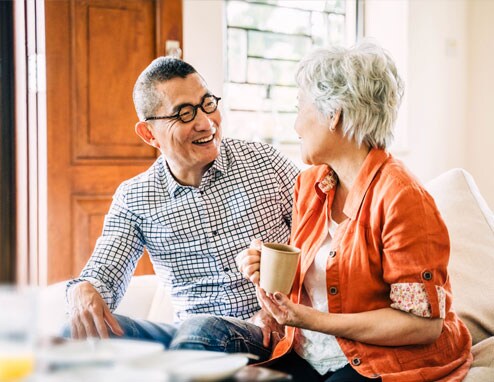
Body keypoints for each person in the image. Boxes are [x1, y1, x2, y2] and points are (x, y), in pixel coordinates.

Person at [236, 42, 473, 381]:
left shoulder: (402, 197)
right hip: (309, 352)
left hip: (383, 359)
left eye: (299, 107)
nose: (296, 125)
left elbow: (423, 325)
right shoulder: (310, 184)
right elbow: (317, 283)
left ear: (334, 114)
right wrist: (267, 268)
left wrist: (311, 320)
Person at [65, 56, 298, 361]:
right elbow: (104, 275)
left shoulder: (265, 162)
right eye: (185, 114)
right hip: (187, 337)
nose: (205, 123)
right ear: (149, 134)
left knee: (201, 331)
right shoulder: (135, 197)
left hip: (262, 329)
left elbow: (326, 246)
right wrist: (81, 290)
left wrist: (280, 307)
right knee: (73, 334)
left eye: (208, 104)